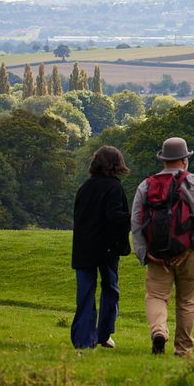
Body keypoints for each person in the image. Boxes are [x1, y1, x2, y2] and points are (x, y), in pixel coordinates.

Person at [131, 137, 194, 356]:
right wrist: (193, 244)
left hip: (156, 253)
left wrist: (145, 253)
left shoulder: (146, 185)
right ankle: (183, 349)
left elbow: (136, 223)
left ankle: (159, 331)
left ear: (164, 160)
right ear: (184, 160)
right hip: (190, 253)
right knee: (187, 300)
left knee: (156, 296)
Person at [71, 145, 132, 349]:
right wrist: (136, 217)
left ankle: (83, 340)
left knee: (85, 294)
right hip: (106, 248)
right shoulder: (114, 187)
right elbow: (114, 217)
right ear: (117, 164)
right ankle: (104, 333)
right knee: (110, 290)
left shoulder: (85, 187)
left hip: (83, 248)